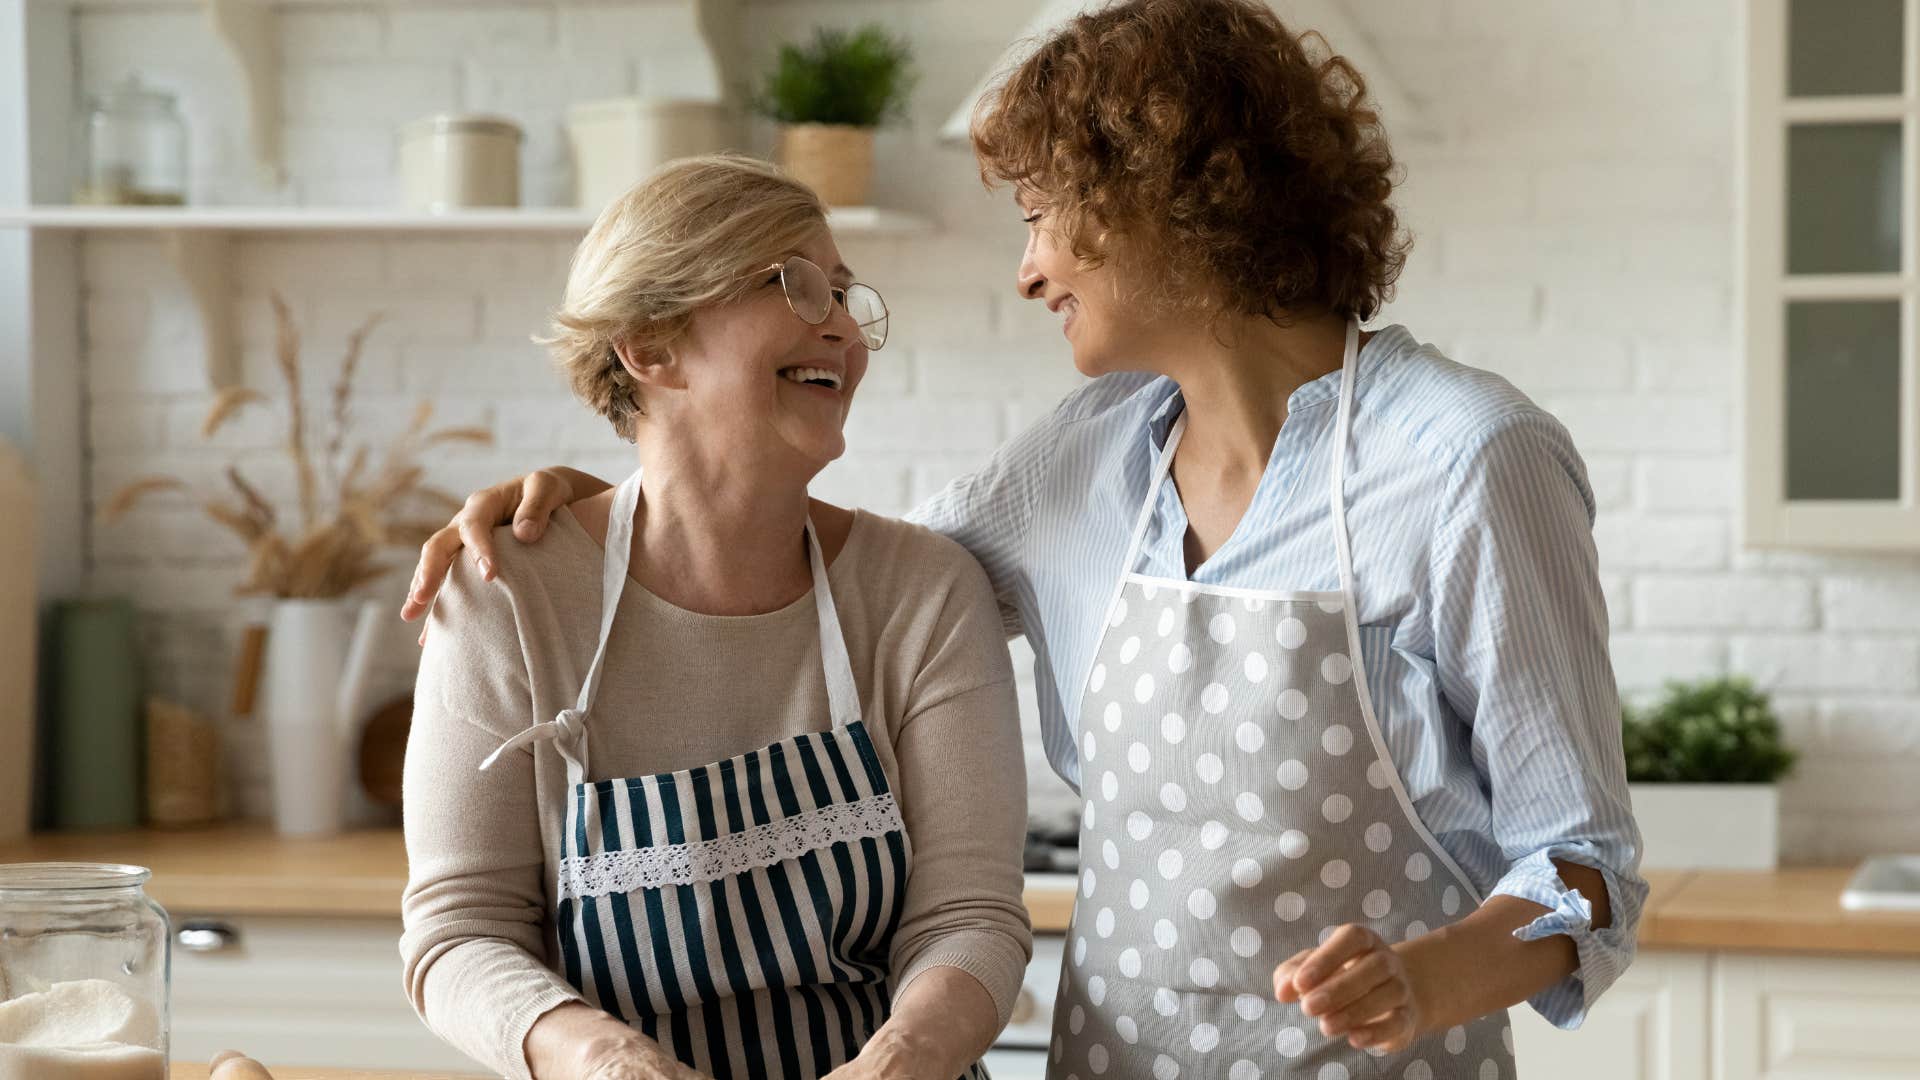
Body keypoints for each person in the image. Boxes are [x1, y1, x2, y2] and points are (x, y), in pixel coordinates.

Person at [404, 2, 1646, 1076]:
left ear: (1169, 196)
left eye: (1044, 213)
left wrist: (1427, 979)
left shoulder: (1466, 461)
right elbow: (803, 550)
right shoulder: (1090, 454)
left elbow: (1585, 865)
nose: (1030, 270)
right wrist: (601, 498)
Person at [398, 154, 1031, 1080]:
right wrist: (611, 1061)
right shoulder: (505, 597)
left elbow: (969, 918)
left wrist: (894, 1064)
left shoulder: (922, 591)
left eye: (847, 295)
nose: (844, 331)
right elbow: (459, 934)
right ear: (650, 344)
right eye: (799, 286)